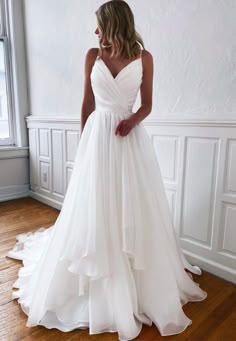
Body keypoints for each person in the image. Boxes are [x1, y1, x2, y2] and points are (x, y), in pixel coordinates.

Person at [6, 1, 207, 340]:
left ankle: (133, 273)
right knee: (96, 203)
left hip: (128, 140)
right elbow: (86, 102)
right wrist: (84, 141)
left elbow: (148, 105)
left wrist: (132, 120)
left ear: (115, 23)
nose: (95, 31)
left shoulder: (145, 58)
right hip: (98, 138)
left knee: (131, 205)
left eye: (99, 24)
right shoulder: (92, 55)